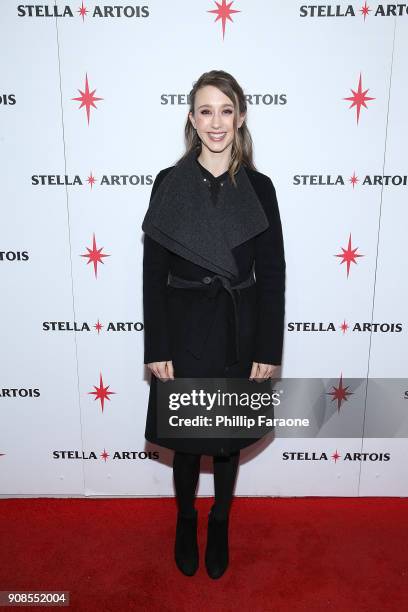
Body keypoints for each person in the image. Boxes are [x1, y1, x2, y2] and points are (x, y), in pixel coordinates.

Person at [141, 70, 285, 579]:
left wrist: (268, 348)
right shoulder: (169, 183)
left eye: (226, 110)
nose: (216, 122)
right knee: (184, 439)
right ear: (191, 118)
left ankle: (219, 520)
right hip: (182, 330)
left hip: (237, 328)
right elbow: (153, 273)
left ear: (241, 116)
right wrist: (156, 344)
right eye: (206, 110)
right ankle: (186, 518)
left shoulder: (260, 189)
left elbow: (271, 274)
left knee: (226, 441)